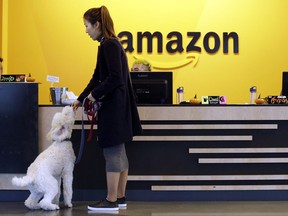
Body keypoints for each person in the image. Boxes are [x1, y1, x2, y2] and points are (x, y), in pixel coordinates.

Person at [71, 6, 142, 212]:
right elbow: (97, 76)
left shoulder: (109, 45)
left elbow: (114, 78)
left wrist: (94, 95)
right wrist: (82, 97)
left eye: (87, 26)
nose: (85, 30)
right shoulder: (108, 44)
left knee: (112, 153)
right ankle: (120, 197)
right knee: (119, 153)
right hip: (119, 108)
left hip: (114, 109)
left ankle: (111, 200)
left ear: (97, 25)